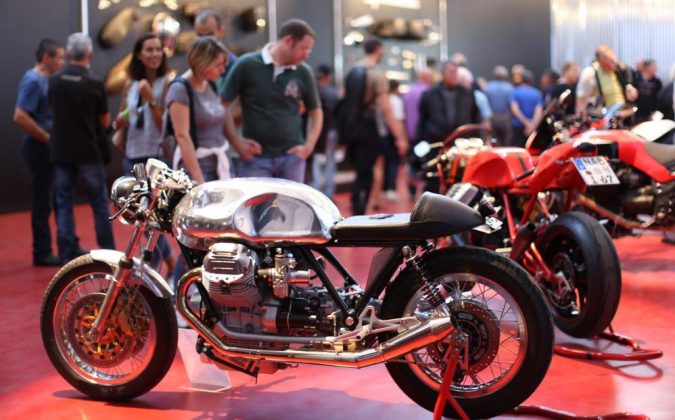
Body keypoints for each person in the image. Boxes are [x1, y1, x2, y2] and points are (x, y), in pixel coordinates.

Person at [221, 18, 322, 183]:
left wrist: (309, 146)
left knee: (291, 200)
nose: (306, 55)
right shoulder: (247, 64)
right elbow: (222, 106)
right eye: (304, 48)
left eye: (309, 50)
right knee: (258, 201)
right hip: (255, 158)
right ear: (288, 41)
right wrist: (237, 144)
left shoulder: (304, 72)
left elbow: (316, 112)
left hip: (292, 158)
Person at [48, 33, 115, 263]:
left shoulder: (54, 81)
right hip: (89, 150)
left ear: (67, 54)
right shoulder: (95, 83)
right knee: (99, 204)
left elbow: (52, 110)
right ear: (90, 54)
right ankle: (108, 252)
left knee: (63, 202)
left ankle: (66, 254)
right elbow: (105, 122)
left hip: (61, 149)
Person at [113, 33, 175, 274]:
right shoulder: (130, 83)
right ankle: (166, 262)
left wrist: (150, 99)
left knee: (152, 219)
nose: (155, 54)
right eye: (149, 49)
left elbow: (164, 126)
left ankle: (151, 270)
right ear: (139, 55)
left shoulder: (167, 82)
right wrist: (122, 120)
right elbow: (123, 116)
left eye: (158, 49)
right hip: (132, 154)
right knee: (141, 218)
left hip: (155, 157)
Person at [167, 36, 259, 184]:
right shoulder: (180, 89)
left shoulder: (211, 84)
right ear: (202, 63)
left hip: (220, 165)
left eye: (223, 64)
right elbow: (182, 136)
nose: (223, 70)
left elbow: (222, 113)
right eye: (218, 65)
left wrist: (239, 142)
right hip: (199, 170)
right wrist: (199, 180)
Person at [341, 37, 408, 215]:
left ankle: (357, 205)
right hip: (369, 128)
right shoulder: (376, 74)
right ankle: (360, 209)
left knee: (359, 170)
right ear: (378, 50)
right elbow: (386, 110)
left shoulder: (351, 71)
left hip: (351, 128)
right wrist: (400, 137)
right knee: (368, 171)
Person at [13, 38, 64, 266]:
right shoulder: (33, 80)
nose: (62, 62)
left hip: (47, 147)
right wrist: (47, 138)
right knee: (43, 200)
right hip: (39, 148)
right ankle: (41, 252)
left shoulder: (45, 79)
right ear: (46, 58)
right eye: (59, 58)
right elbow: (20, 116)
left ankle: (54, 247)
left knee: (51, 198)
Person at [576, 45, 638, 113]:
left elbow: (627, 85)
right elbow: (581, 99)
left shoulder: (619, 69)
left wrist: (630, 91)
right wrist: (580, 116)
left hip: (620, 114)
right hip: (601, 116)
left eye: (613, 61)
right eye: (609, 62)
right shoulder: (590, 73)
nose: (613, 65)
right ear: (599, 61)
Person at [311, 64, 339, 198]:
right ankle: (328, 193)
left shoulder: (314, 92)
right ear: (329, 77)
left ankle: (317, 192)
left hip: (317, 131)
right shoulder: (334, 93)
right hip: (330, 131)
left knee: (317, 161)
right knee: (329, 162)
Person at [510, 69, 543, 147]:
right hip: (532, 128)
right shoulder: (537, 93)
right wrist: (532, 125)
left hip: (518, 127)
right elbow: (539, 111)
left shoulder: (515, 92)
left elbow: (515, 110)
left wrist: (526, 123)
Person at [484, 65, 513, 146]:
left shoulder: (488, 87)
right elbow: (511, 105)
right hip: (505, 119)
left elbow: (485, 104)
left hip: (492, 118)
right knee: (506, 142)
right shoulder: (509, 88)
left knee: (494, 142)